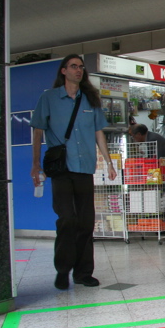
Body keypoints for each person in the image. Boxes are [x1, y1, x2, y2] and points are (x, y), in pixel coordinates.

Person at [31, 54, 116, 290]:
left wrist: (109, 162)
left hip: (85, 168)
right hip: (61, 169)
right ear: (63, 71)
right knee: (67, 219)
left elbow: (99, 133)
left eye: (81, 67)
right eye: (73, 66)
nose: (78, 70)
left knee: (86, 222)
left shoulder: (90, 99)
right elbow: (38, 132)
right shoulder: (49, 98)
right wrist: (35, 164)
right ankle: (62, 270)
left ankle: (83, 272)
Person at [130, 124, 165, 196]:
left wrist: (151, 180)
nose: (134, 139)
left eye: (133, 137)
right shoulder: (151, 137)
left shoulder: (152, 140)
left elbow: (155, 160)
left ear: (139, 134)